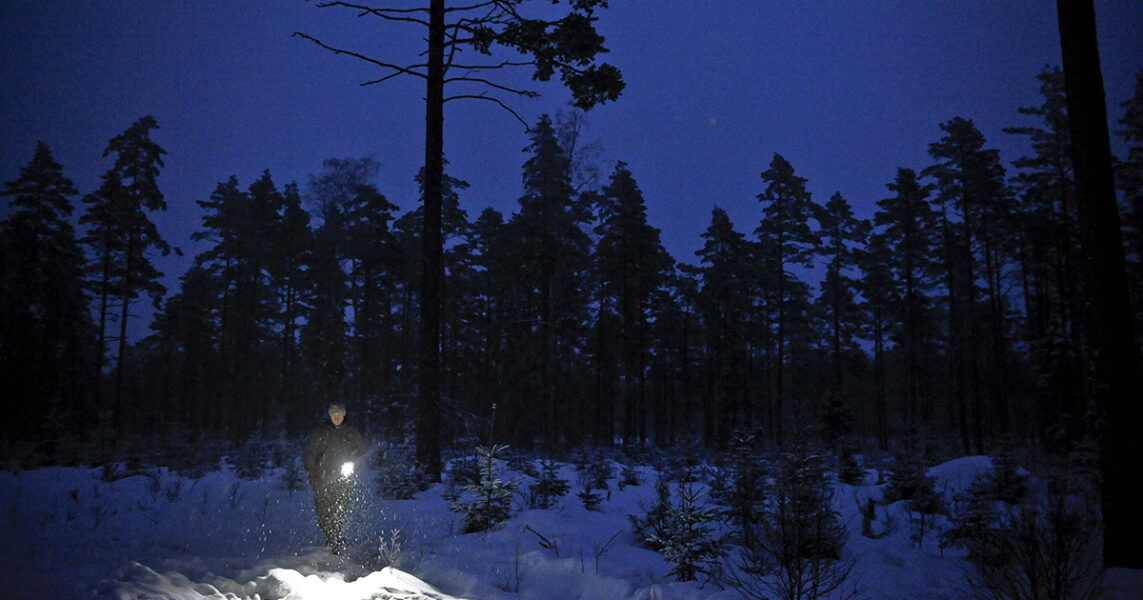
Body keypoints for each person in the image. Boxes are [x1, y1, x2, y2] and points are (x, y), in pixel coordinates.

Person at [304, 402, 367, 554]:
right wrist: (312, 476)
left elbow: (362, 452)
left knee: (338, 510)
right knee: (323, 513)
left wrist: (353, 468)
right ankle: (331, 535)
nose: (336, 418)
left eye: (339, 415)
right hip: (322, 479)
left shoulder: (351, 432)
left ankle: (336, 538)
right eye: (334, 415)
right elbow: (310, 455)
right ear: (330, 416)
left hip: (342, 479)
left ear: (343, 415)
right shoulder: (320, 432)